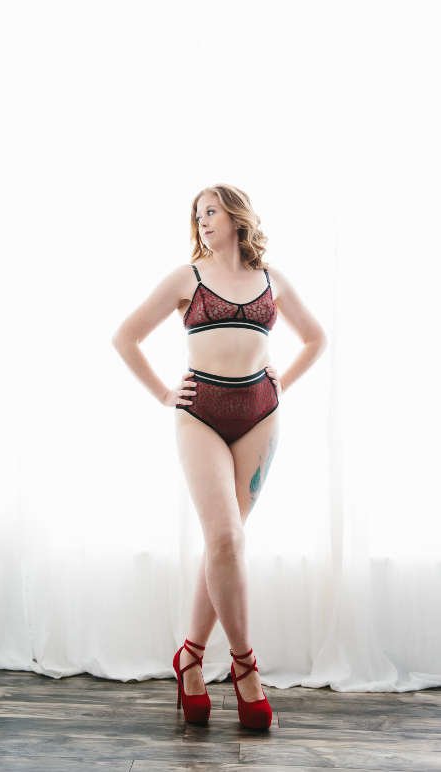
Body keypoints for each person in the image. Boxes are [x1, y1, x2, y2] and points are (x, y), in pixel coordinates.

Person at [111, 184, 327, 728]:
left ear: (237, 216)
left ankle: (189, 658)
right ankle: (244, 667)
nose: (203, 220)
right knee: (226, 537)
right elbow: (125, 337)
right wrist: (164, 394)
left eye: (212, 211)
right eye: (197, 214)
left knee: (222, 544)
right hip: (201, 414)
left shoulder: (271, 281)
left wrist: (284, 382)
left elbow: (316, 339)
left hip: (260, 416)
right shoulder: (189, 277)